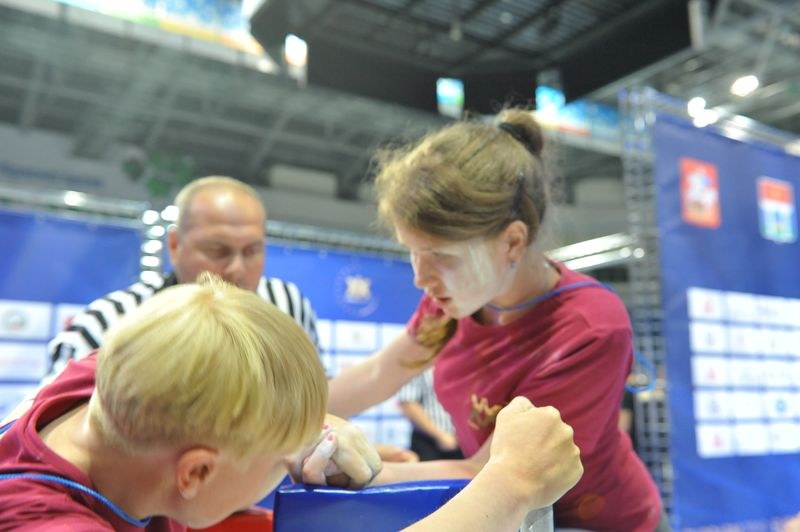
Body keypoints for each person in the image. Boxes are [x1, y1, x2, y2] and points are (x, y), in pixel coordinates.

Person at [0, 274, 583, 530]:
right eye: (279, 461)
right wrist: (512, 484)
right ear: (196, 470)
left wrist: (309, 422)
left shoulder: (118, 377)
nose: (295, 463)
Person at [328, 108, 663, 530]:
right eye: (412, 251)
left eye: (442, 257)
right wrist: (279, 421)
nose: (419, 277)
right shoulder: (454, 300)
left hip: (598, 522)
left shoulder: (588, 327)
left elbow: (494, 471)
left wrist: (365, 471)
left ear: (512, 242)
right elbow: (380, 373)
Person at [45, 175, 318, 380]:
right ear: (175, 245)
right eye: (216, 250)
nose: (236, 268)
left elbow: (318, 401)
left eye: (252, 251)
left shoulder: (288, 307)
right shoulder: (107, 325)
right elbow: (40, 436)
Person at [398, 368, 463, 461]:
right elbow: (407, 403)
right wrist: (440, 436)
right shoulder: (419, 362)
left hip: (464, 443)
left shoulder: (464, 360)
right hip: (428, 442)